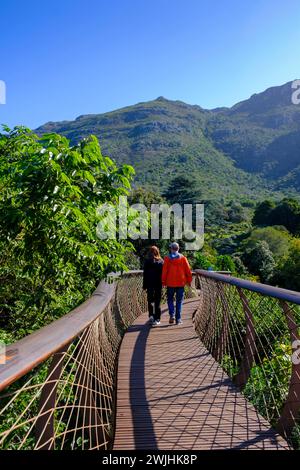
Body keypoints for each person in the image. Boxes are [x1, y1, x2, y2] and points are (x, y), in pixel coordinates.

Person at [162, 242, 192, 325]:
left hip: (170, 283)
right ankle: (178, 319)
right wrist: (189, 281)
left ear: (171, 249)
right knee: (179, 301)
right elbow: (188, 271)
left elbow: (164, 271)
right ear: (178, 249)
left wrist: (163, 281)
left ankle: (172, 314)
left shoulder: (167, 258)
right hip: (180, 283)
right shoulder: (183, 258)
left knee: (170, 300)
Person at [143, 246, 164, 327]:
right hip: (158, 284)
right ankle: (157, 318)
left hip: (149, 284)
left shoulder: (147, 261)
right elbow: (163, 274)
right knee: (157, 301)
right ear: (157, 252)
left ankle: (151, 316)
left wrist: (144, 285)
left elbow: (145, 275)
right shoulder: (161, 262)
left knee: (151, 300)